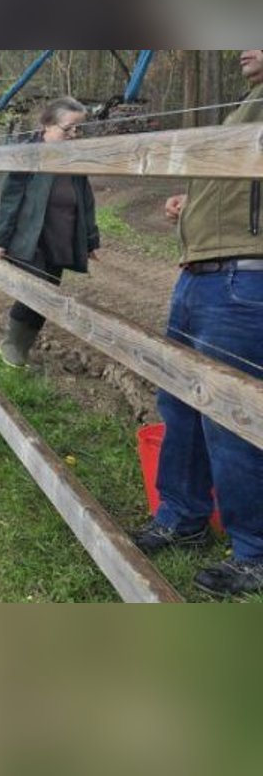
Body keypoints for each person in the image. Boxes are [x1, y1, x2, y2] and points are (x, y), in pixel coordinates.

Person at [133, 50, 263, 598]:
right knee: (180, 403)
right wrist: (193, 204)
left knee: (231, 417)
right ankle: (182, 515)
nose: (241, 48)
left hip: (243, 278)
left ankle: (254, 552)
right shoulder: (248, 102)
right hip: (200, 274)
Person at [0, 97, 101, 367]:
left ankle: (21, 349)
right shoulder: (28, 155)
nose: (74, 134)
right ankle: (12, 346)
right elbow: (10, 200)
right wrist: (0, 240)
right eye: (68, 129)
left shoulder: (75, 160)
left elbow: (85, 201)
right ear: (47, 126)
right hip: (32, 240)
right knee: (35, 292)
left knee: (49, 295)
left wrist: (90, 240)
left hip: (61, 240)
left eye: (78, 129)